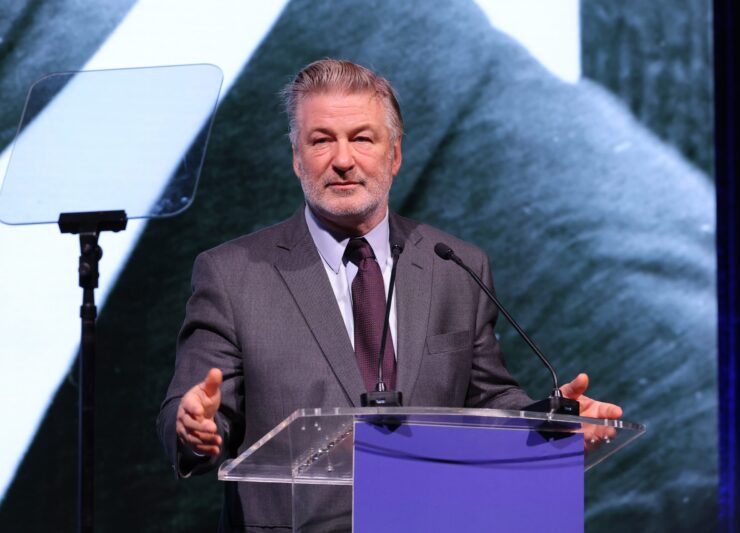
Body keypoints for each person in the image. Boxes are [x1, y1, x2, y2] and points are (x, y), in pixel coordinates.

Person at [157, 59, 621, 531]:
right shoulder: (233, 274)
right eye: (321, 140)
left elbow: (488, 398)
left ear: (394, 155)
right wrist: (194, 428)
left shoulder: (454, 266)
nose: (342, 160)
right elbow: (193, 414)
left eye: (362, 138)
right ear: (297, 158)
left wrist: (550, 423)